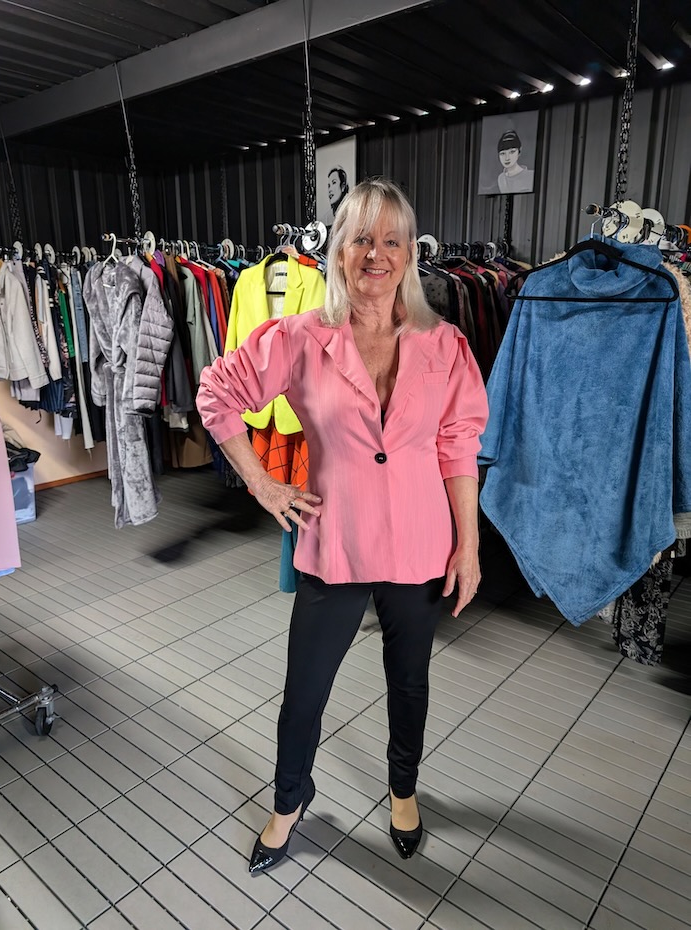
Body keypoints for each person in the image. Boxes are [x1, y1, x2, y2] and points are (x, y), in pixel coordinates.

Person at [196, 177, 489, 874]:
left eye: (391, 240)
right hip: (335, 546)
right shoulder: (302, 337)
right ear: (340, 249)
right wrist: (264, 484)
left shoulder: (443, 344)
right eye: (362, 238)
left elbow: (458, 447)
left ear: (409, 254)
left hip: (421, 547)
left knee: (409, 682)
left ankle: (403, 788)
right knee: (304, 693)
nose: (376, 254)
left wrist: (469, 547)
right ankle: (290, 798)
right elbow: (217, 394)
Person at [496, 129, 534, 193]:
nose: (507, 158)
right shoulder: (501, 178)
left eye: (512, 152)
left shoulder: (531, 176)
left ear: (519, 151)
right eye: (503, 153)